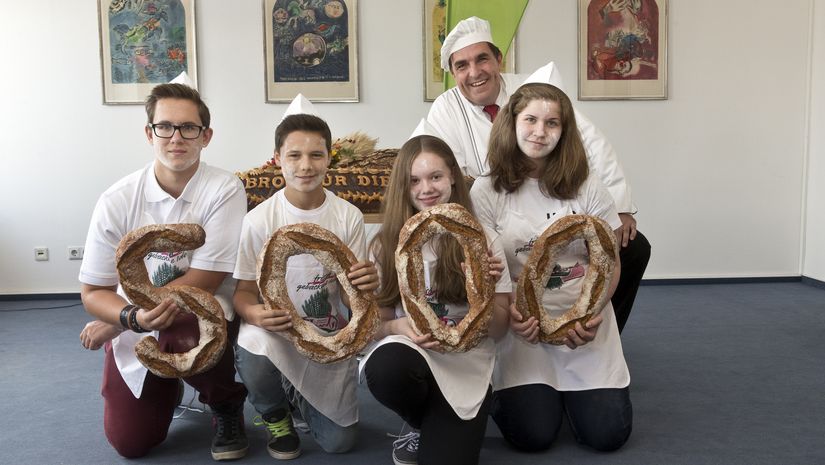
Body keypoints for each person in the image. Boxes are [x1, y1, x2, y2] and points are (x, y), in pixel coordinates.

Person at [426, 16, 650, 332]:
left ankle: (596, 322)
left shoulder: (532, 89)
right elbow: (438, 166)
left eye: (482, 59)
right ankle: (500, 326)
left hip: (556, 197)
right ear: (452, 73)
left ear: (498, 60)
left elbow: (589, 139)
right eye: (461, 66)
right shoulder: (445, 109)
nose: (474, 72)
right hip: (494, 207)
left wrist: (621, 206)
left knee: (633, 247)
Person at [78, 83, 249, 460]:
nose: (176, 138)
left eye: (189, 128)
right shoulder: (117, 200)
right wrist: (130, 318)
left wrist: (118, 322)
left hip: (201, 308)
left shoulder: (223, 188)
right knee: (131, 443)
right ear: (149, 133)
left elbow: (206, 279)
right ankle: (165, 382)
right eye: (165, 127)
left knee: (183, 326)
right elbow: (92, 291)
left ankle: (224, 402)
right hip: (138, 318)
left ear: (206, 136)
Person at [470, 82, 633, 452]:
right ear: (511, 123)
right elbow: (488, 272)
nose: (540, 132)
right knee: (533, 436)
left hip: (583, 323)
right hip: (521, 326)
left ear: (565, 131)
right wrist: (511, 314)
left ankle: (581, 397)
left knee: (607, 436)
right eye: (530, 120)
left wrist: (589, 316)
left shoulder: (588, 187)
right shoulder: (486, 191)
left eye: (552, 123)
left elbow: (610, 262)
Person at [232, 111, 379, 460]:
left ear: (330, 158)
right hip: (278, 334)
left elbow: (350, 295)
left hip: (327, 334)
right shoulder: (258, 221)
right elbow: (242, 293)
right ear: (278, 160)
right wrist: (254, 313)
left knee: (339, 444)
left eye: (316, 155)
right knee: (251, 345)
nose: (305, 165)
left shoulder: (348, 216)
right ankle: (275, 413)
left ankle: (297, 393)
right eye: (294, 155)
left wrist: (365, 285)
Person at [360, 134, 512, 465]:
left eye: (435, 177)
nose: (426, 189)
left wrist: (485, 288)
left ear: (453, 177)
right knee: (385, 368)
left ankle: (444, 420)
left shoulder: (482, 240)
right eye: (414, 180)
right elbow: (374, 325)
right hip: (415, 353)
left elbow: (499, 329)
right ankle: (420, 420)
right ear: (403, 186)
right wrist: (396, 326)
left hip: (468, 358)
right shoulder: (385, 246)